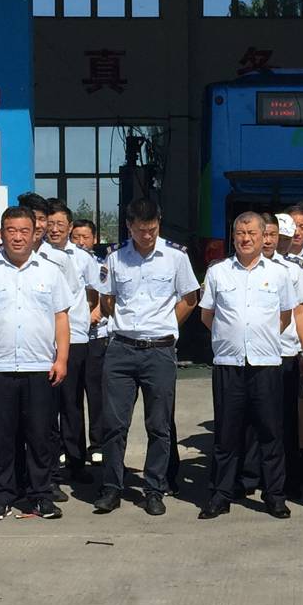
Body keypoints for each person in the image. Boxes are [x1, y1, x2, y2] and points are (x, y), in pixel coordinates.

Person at [0, 206, 75, 520]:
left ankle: (41, 495)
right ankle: (2, 495)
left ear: (34, 233)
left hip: (40, 366)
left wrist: (62, 359)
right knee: (2, 436)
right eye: (11, 231)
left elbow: (61, 318)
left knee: (40, 436)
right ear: (2, 234)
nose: (17, 237)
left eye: (24, 231)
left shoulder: (50, 271)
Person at [93, 199, 200, 516]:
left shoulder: (176, 256)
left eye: (152, 229)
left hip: (159, 350)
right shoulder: (115, 258)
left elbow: (190, 298)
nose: (147, 236)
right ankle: (112, 488)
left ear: (159, 224)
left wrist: (166, 326)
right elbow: (107, 299)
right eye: (141, 230)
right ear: (129, 227)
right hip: (121, 350)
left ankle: (154, 489)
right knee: (114, 424)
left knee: (159, 425)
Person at [199, 211, 303, 520]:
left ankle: (274, 496)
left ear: (263, 237)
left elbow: (285, 316)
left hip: (266, 364)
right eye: (240, 233)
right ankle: (221, 495)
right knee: (226, 434)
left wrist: (259, 337)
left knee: (271, 433)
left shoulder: (280, 274)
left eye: (252, 234)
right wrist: (230, 336)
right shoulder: (218, 272)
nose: (246, 239)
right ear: (233, 237)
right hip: (228, 363)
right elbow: (207, 316)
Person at [36, 202, 104, 486]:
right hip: (42, 339)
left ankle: (76, 462)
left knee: (72, 404)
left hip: (74, 337)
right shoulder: (35, 253)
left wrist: (88, 315)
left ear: (70, 227)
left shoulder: (82, 257)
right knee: (45, 407)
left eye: (59, 225)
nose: (53, 229)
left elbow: (96, 290)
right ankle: (50, 464)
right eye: (49, 224)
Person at [273, 213, 303, 500]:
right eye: (277, 237)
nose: (280, 243)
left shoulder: (298, 269)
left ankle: (294, 477)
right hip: (260, 353)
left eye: (285, 239)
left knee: (294, 420)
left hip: (289, 351)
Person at [69, 216, 111, 478]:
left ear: (94, 239)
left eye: (85, 237)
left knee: (96, 394)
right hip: (73, 336)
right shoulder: (67, 259)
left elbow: (104, 293)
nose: (81, 241)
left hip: (96, 336)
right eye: (76, 237)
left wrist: (96, 312)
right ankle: (72, 447)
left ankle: (97, 444)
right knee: (71, 396)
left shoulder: (101, 263)